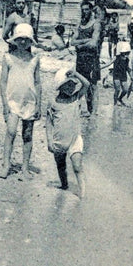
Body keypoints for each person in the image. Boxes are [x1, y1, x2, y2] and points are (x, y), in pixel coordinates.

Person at [0, 23, 42, 180]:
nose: (23, 42)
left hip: (29, 101)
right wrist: (4, 104)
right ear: (15, 40)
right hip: (12, 102)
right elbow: (3, 82)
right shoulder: (8, 58)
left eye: (26, 39)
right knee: (10, 131)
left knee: (28, 134)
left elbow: (37, 82)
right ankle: (6, 165)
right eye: (20, 39)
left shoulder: (35, 59)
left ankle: (25, 167)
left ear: (31, 41)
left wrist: (38, 104)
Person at [45, 67, 88, 198]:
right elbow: (48, 123)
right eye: (67, 85)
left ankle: (82, 193)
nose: (70, 88)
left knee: (77, 166)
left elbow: (86, 84)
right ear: (60, 87)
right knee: (61, 166)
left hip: (75, 139)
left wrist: (76, 73)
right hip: (59, 140)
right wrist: (49, 140)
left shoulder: (76, 98)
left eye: (72, 85)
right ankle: (64, 185)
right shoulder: (53, 103)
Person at [71, 0, 102, 117]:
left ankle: (93, 112)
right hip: (81, 59)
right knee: (83, 83)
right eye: (83, 10)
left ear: (91, 10)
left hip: (92, 58)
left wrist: (80, 45)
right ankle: (86, 110)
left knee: (93, 85)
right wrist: (85, 41)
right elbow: (72, 42)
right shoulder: (80, 24)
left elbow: (94, 43)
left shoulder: (96, 24)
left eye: (87, 9)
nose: (85, 12)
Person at [112, 41, 132, 106]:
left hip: (123, 75)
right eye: (125, 53)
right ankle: (115, 102)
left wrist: (131, 75)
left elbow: (128, 68)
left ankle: (120, 99)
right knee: (117, 89)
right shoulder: (116, 58)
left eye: (127, 53)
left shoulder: (127, 60)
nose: (126, 55)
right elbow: (110, 64)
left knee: (125, 90)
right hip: (116, 75)